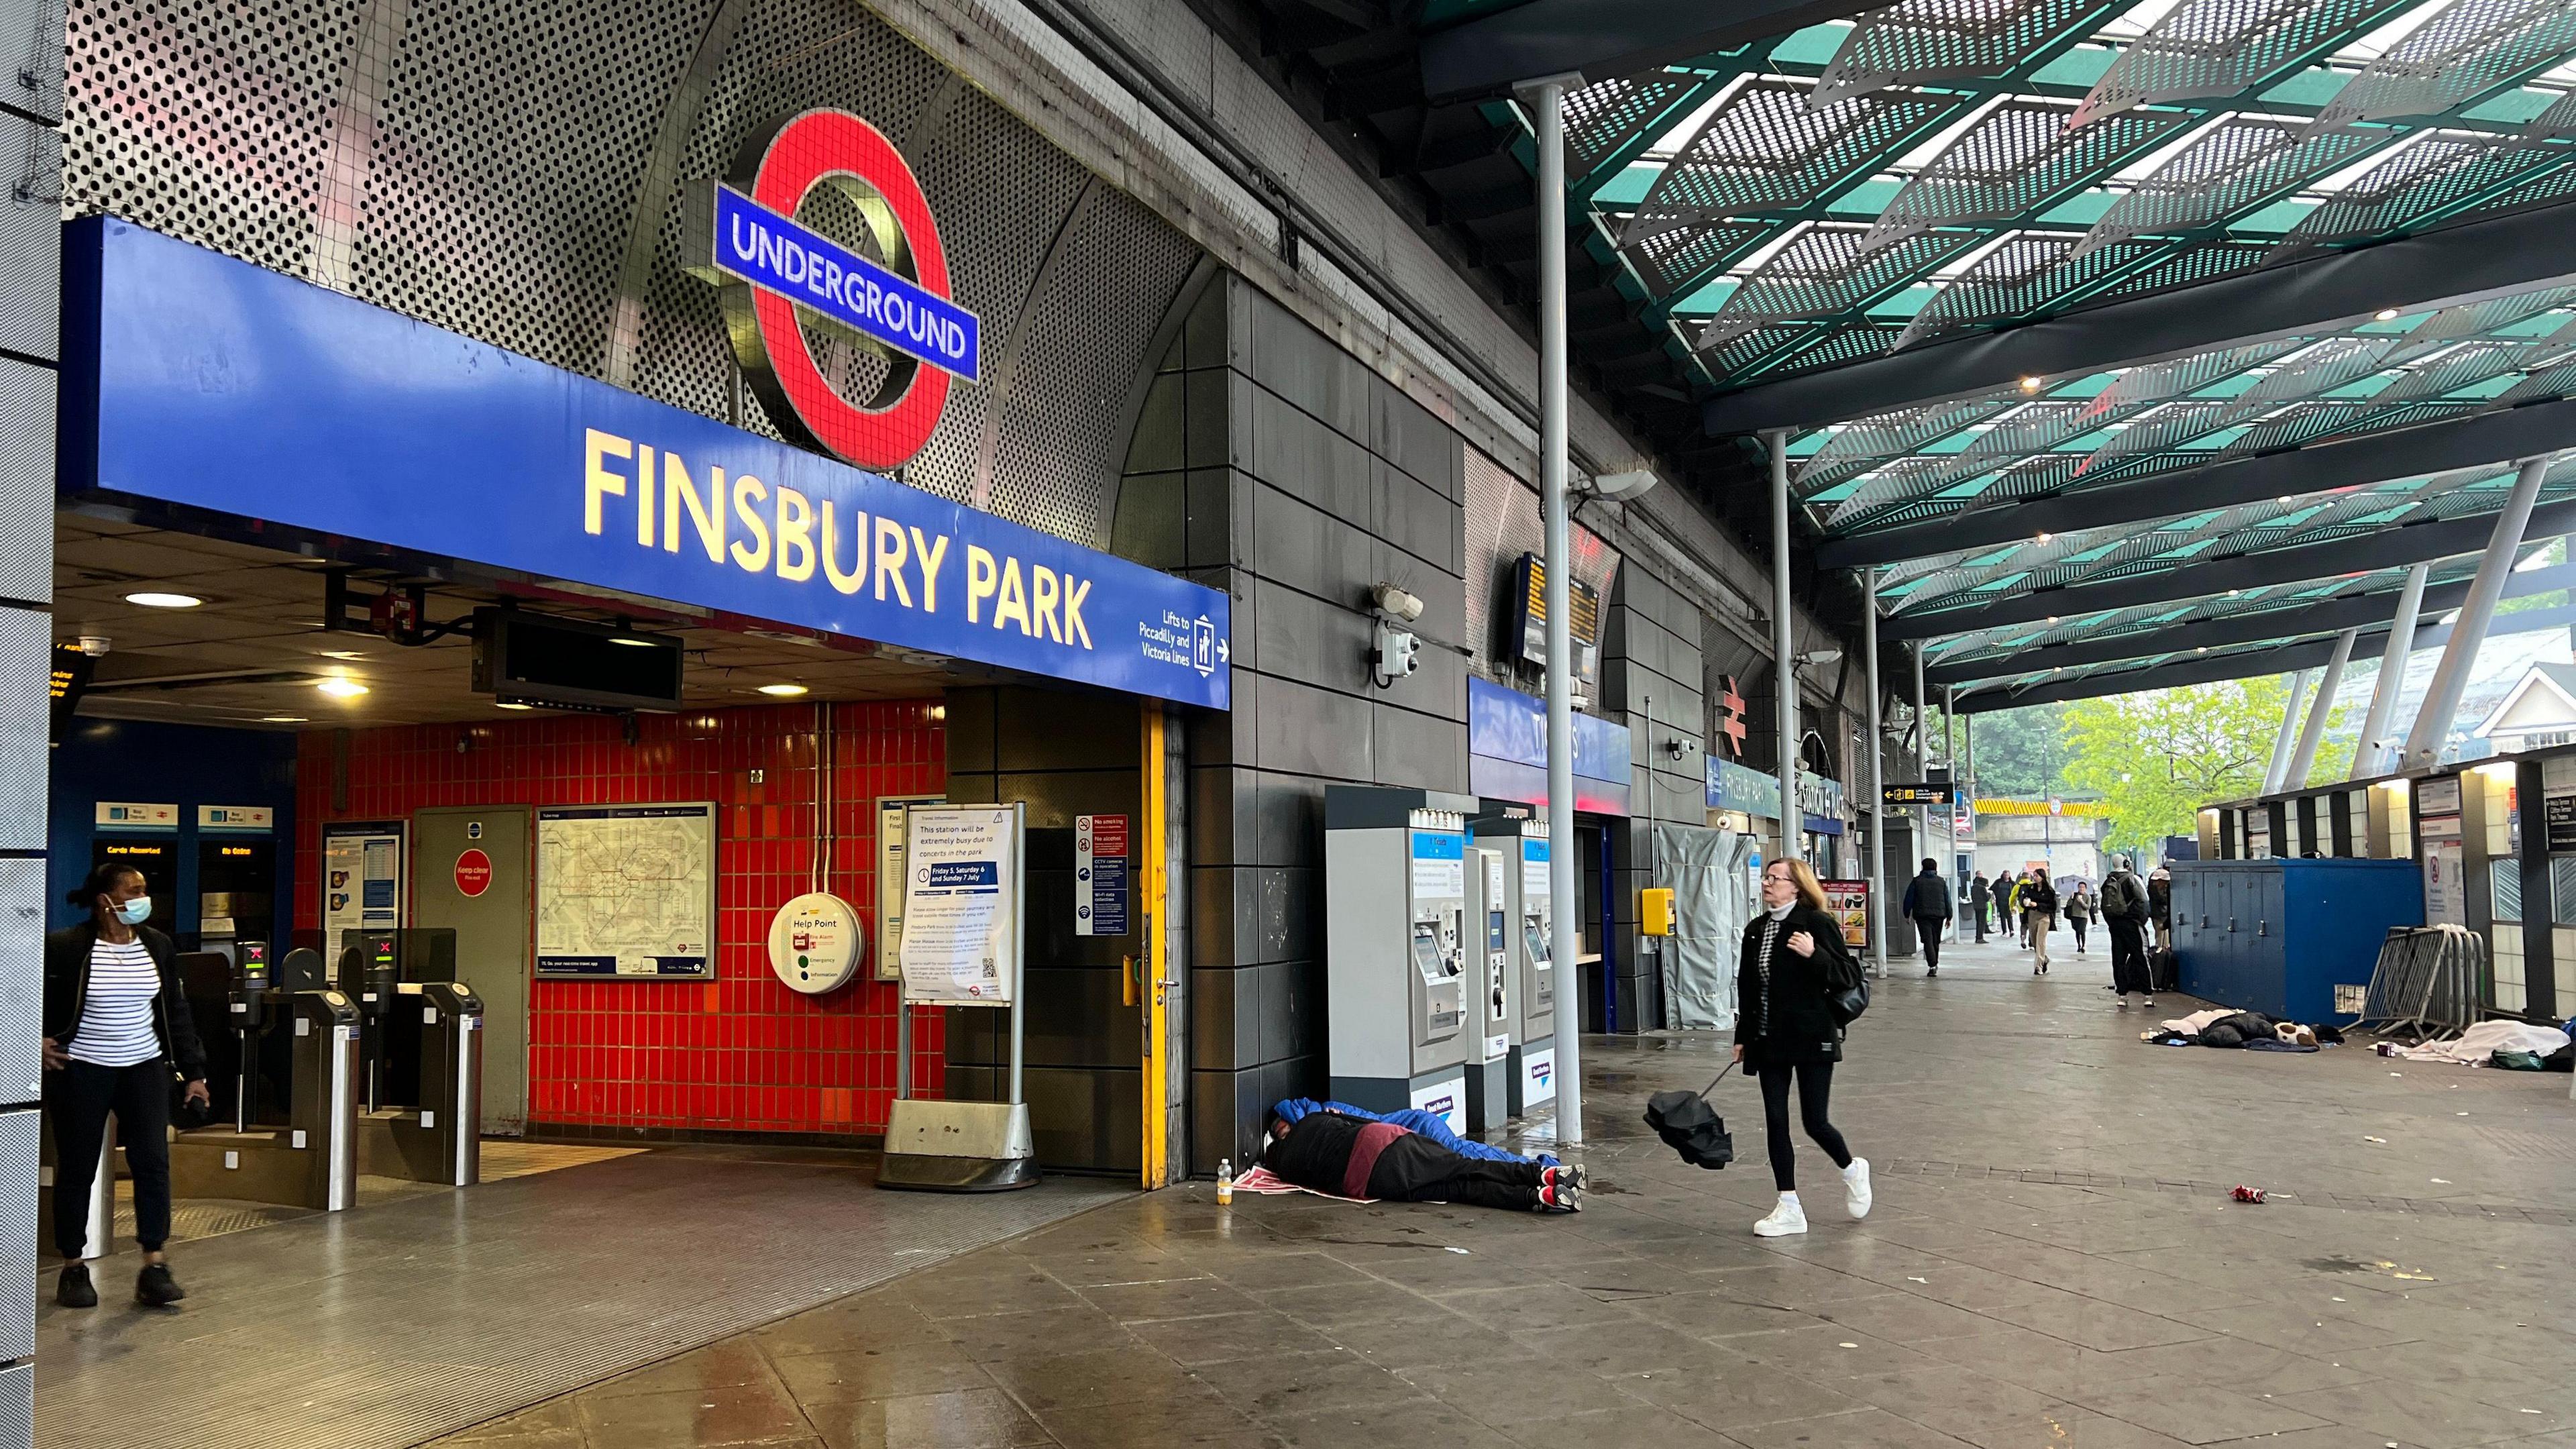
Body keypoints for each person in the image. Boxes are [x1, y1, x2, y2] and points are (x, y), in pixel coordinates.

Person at [44, 863, 209, 1308]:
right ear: (105, 901)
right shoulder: (66, 948)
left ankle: (154, 1264)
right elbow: (23, 999)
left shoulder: (157, 946)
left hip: (145, 1068)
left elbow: (176, 1010)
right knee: (77, 1167)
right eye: (133, 891)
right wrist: (34, 1043)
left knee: (152, 1163)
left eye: (144, 890)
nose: (142, 898)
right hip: (83, 1070)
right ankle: (73, 1267)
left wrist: (194, 1072)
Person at [1733, 857, 1868, 1238]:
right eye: (1766, 877)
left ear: (1797, 886)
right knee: (1776, 1120)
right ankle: (1788, 1204)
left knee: (1815, 1121)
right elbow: (1749, 987)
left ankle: (1852, 1169)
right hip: (1768, 1038)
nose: (1767, 884)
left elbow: (1849, 976)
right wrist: (1742, 1037)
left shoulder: (1816, 924)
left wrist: (1815, 954)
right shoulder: (1756, 930)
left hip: (1812, 1036)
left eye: (1776, 879)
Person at [1260, 1107, 1583, 1212]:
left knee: (1460, 1191)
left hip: (1374, 1180)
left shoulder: (1286, 1166)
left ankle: (1537, 1198)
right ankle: (1543, 1175)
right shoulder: (1313, 1118)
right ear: (1286, 1127)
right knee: (1468, 1165)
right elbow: (1363, 1122)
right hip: (1387, 1145)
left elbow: (1324, 1183)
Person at [2102, 855, 2154, 1009]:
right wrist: (2140, 921)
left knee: (2118, 960)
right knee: (2141, 958)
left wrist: (2112, 923)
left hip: (2115, 926)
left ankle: (2122, 996)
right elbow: (2144, 902)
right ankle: (2148, 995)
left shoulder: (2108, 882)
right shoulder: (2133, 879)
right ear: (2126, 863)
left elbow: (2104, 906)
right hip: (2132, 924)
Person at [1900, 857, 1951, 978]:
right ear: (1935, 868)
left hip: (1922, 915)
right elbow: (1947, 900)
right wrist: (1949, 916)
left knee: (1927, 940)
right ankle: (1935, 963)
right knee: (1935, 940)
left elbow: (1909, 899)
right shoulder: (1941, 882)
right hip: (1939, 916)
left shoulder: (1917, 881)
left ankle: (1932, 966)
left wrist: (1906, 914)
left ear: (1923, 867)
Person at [2022, 866, 2058, 975]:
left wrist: (2038, 905)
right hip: (2031, 916)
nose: (2035, 877)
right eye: (2034, 875)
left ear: (2042, 877)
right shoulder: (2030, 888)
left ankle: (2038, 967)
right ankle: (2044, 959)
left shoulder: (2049, 891)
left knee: (2040, 942)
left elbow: (2052, 907)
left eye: (2037, 875)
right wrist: (2025, 902)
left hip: (2044, 917)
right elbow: (2024, 898)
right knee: (2034, 942)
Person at [2147, 865, 2173, 950]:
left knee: (2161, 939)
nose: (2154, 884)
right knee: (2162, 939)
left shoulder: (2169, 888)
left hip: (2160, 914)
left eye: (2157, 882)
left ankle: (2161, 955)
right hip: (2160, 914)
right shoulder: (2169, 888)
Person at [2064, 881, 2093, 954]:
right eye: (2080, 887)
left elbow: (2087, 907)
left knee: (2082, 931)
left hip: (2083, 917)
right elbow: (2068, 904)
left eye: (2083, 887)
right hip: (2074, 916)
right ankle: (2079, 945)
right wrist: (2072, 898)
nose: (2081, 889)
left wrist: (2081, 901)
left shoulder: (2088, 896)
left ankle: (2083, 945)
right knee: (2077, 931)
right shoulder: (2075, 895)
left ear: (2085, 888)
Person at [1968, 872, 1991, 943]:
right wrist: (1989, 894)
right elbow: (1987, 898)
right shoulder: (1982, 888)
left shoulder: (1973, 887)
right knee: (1982, 923)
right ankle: (1980, 938)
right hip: (1983, 907)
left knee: (1978, 922)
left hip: (1976, 906)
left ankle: (1978, 937)